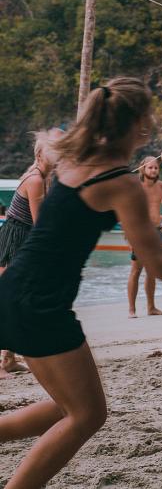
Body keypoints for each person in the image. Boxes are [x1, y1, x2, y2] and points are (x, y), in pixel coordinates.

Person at [0, 78, 162, 488]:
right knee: (87, 415)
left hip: (13, 293)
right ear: (140, 126)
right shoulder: (120, 184)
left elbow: (55, 140)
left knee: (66, 408)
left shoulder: (71, 161)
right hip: (41, 304)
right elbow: (161, 265)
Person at [0, 128, 62, 376]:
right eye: (51, 154)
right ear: (39, 154)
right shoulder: (36, 180)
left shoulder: (42, 177)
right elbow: (40, 223)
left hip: (19, 236)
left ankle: (9, 357)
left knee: (16, 300)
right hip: (16, 240)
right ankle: (9, 359)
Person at [127, 156, 162, 317]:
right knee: (136, 270)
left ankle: (151, 308)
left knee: (152, 271)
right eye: (150, 167)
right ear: (142, 169)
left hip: (157, 232)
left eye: (156, 168)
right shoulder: (136, 187)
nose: (153, 170)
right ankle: (132, 309)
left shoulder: (160, 186)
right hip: (139, 233)